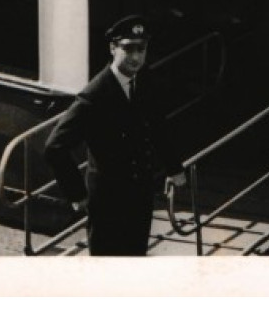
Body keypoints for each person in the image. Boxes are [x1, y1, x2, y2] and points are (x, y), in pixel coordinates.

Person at [45, 15, 188, 257]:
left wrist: (174, 168)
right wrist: (77, 194)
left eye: (141, 49)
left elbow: (156, 126)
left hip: (140, 195)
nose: (135, 57)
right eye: (128, 49)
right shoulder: (95, 96)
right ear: (113, 48)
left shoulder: (143, 80)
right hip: (108, 203)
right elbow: (54, 146)